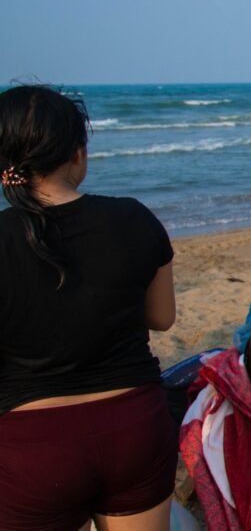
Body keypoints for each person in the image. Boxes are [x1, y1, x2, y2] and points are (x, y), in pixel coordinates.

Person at [0, 85, 178, 531]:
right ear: (78, 152)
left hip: (33, 447)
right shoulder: (134, 217)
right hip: (134, 425)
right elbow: (161, 317)